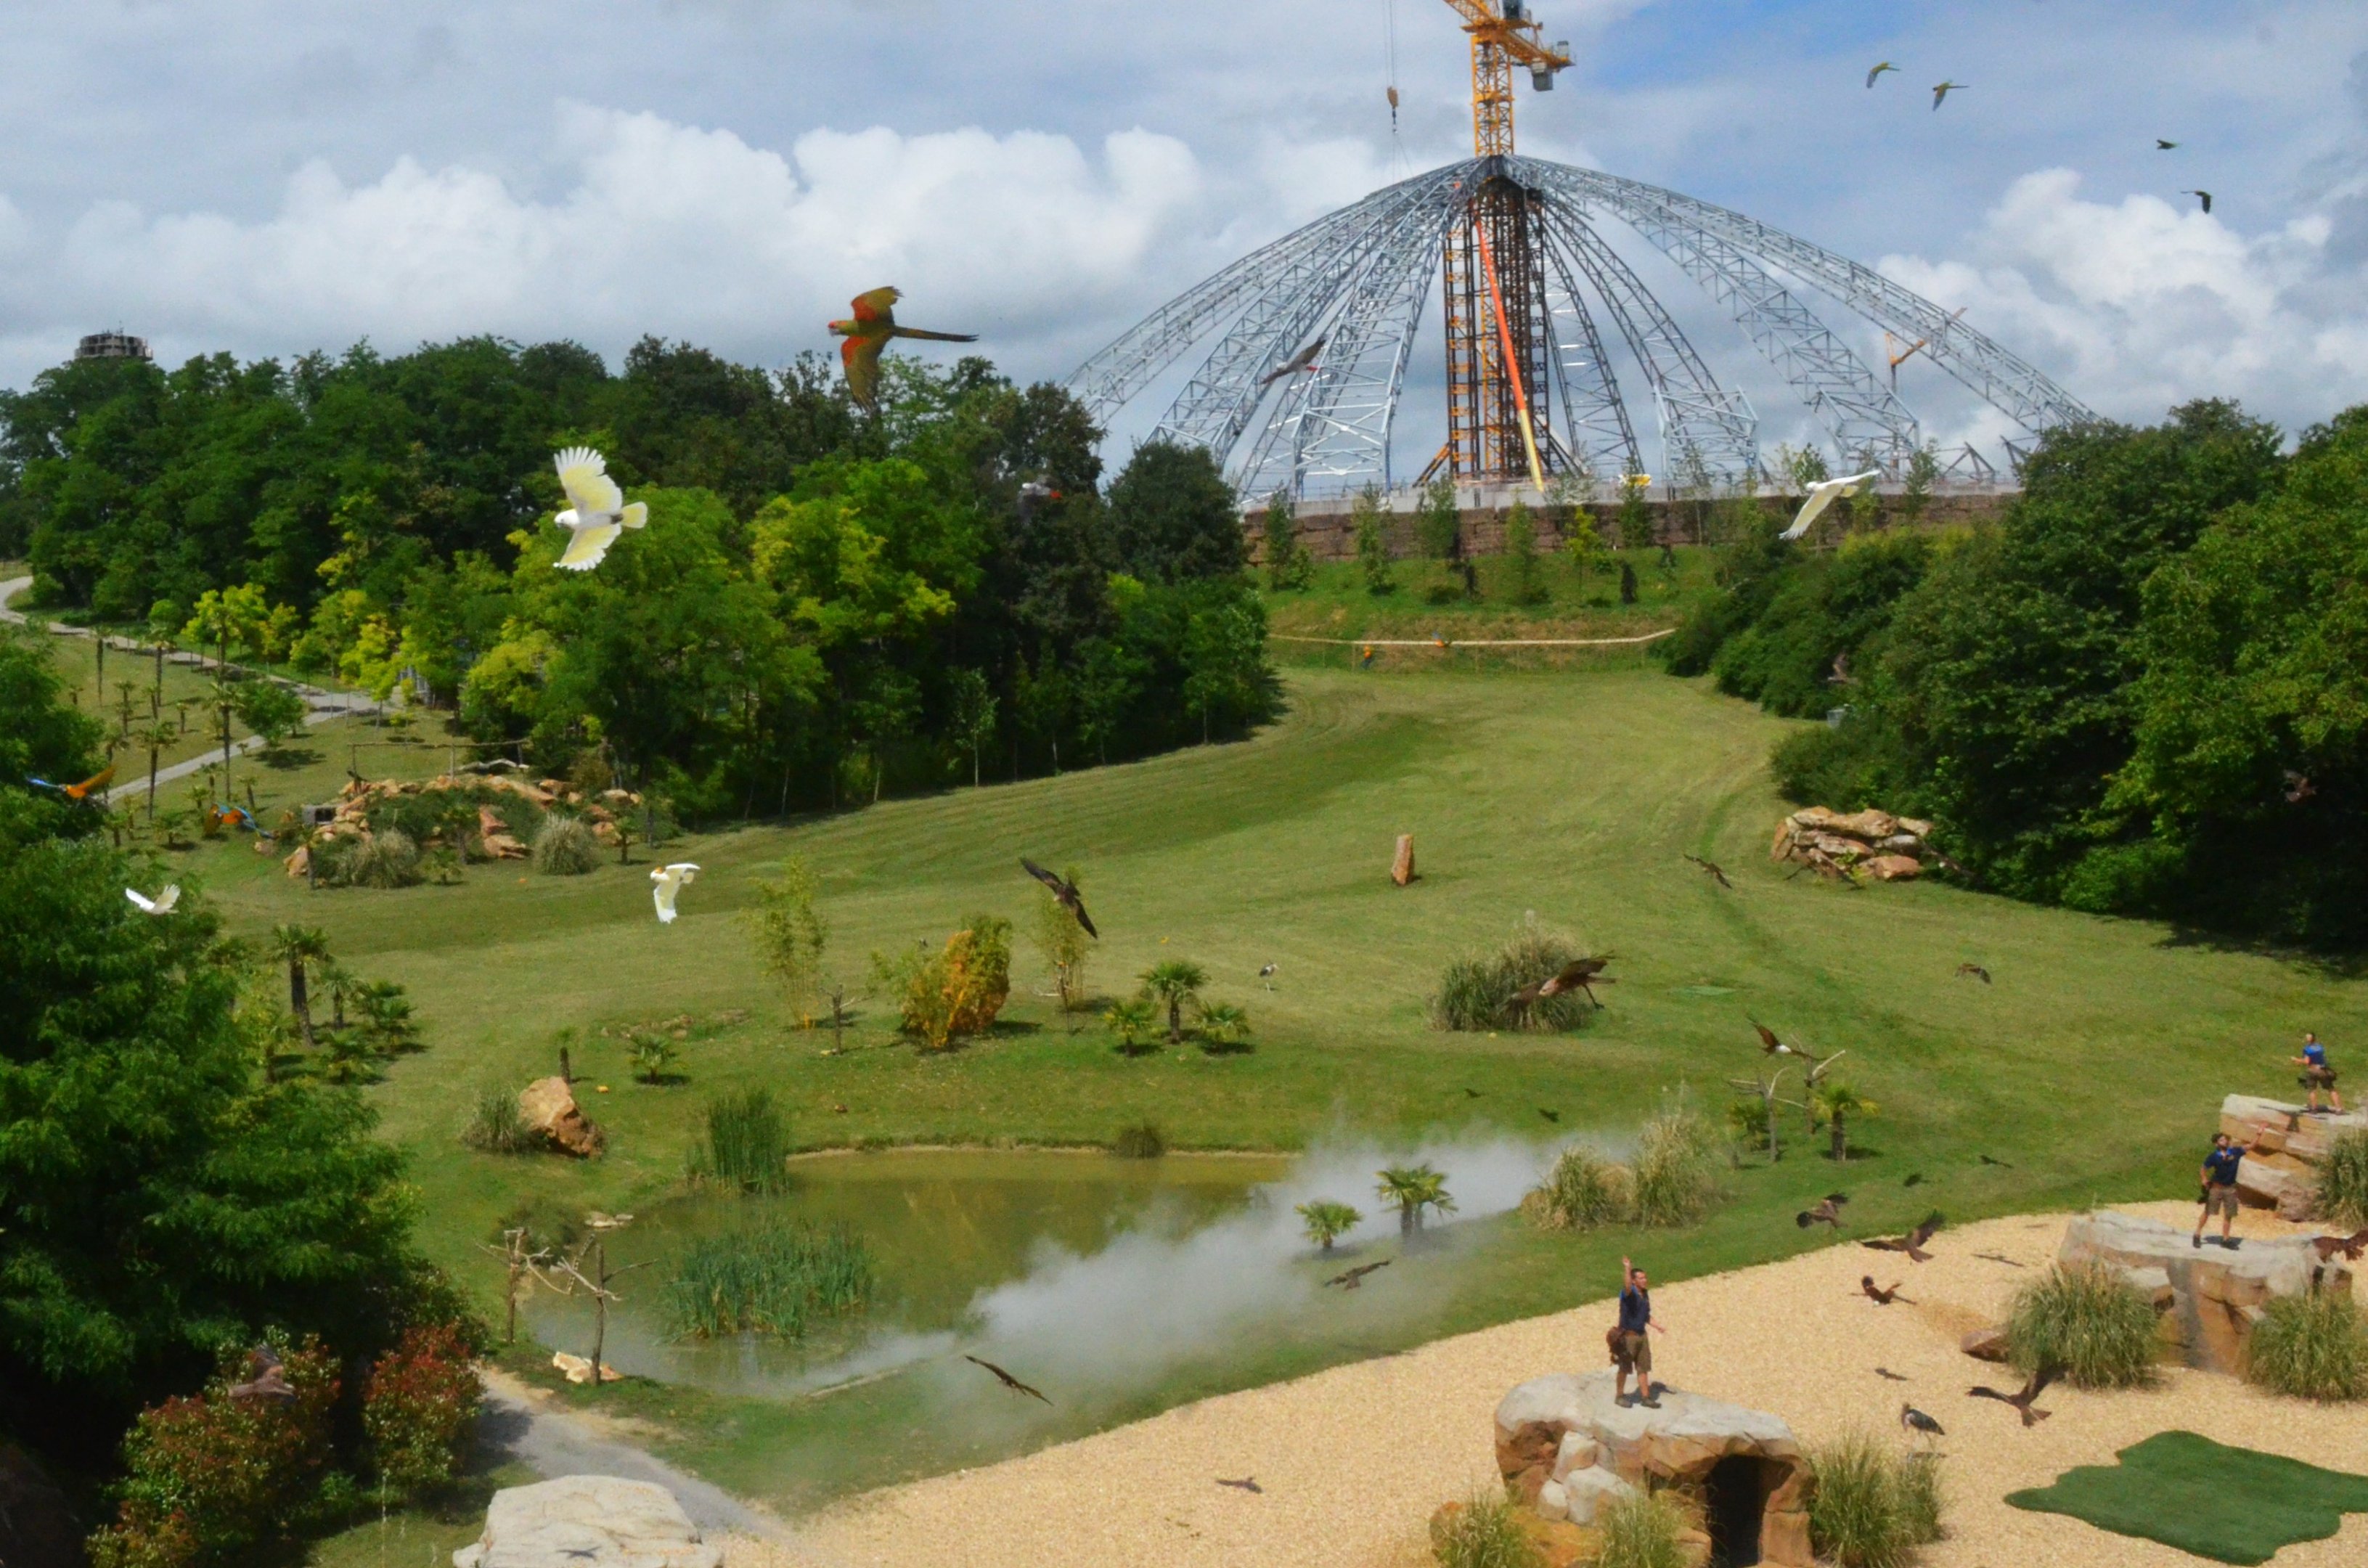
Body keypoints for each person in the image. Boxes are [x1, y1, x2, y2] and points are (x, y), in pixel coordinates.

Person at [1613, 1255, 1665, 1407]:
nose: (1644, 1280)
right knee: (1624, 1367)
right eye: (1641, 1278)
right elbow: (1627, 1285)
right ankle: (1620, 1395)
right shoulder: (1628, 1294)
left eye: (1645, 1278)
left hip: (1642, 1335)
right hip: (1628, 1336)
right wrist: (1627, 1267)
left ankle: (1645, 1397)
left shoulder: (1645, 1294)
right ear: (1634, 1280)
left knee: (1643, 1367)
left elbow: (1646, 1315)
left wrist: (1657, 1326)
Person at [2192, 1132, 2257, 1249]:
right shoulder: (2213, 1157)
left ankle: (2226, 1239)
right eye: (2222, 1140)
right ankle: (2197, 1234)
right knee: (2208, 1211)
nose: (2225, 1142)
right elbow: (2203, 1168)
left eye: (2225, 1140)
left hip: (2230, 1188)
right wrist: (2204, 1179)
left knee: (2229, 1214)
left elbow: (2251, 1146)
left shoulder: (2235, 1152)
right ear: (2216, 1143)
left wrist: (2259, 1134)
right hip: (2216, 1188)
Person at [2293, 1032, 2345, 1116]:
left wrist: (2296, 1060)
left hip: (2312, 1071)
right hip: (2323, 1070)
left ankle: (2314, 1109)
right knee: (2331, 1089)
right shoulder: (2320, 1047)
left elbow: (2307, 1061)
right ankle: (2338, 1109)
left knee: (2312, 1090)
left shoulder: (2307, 1049)